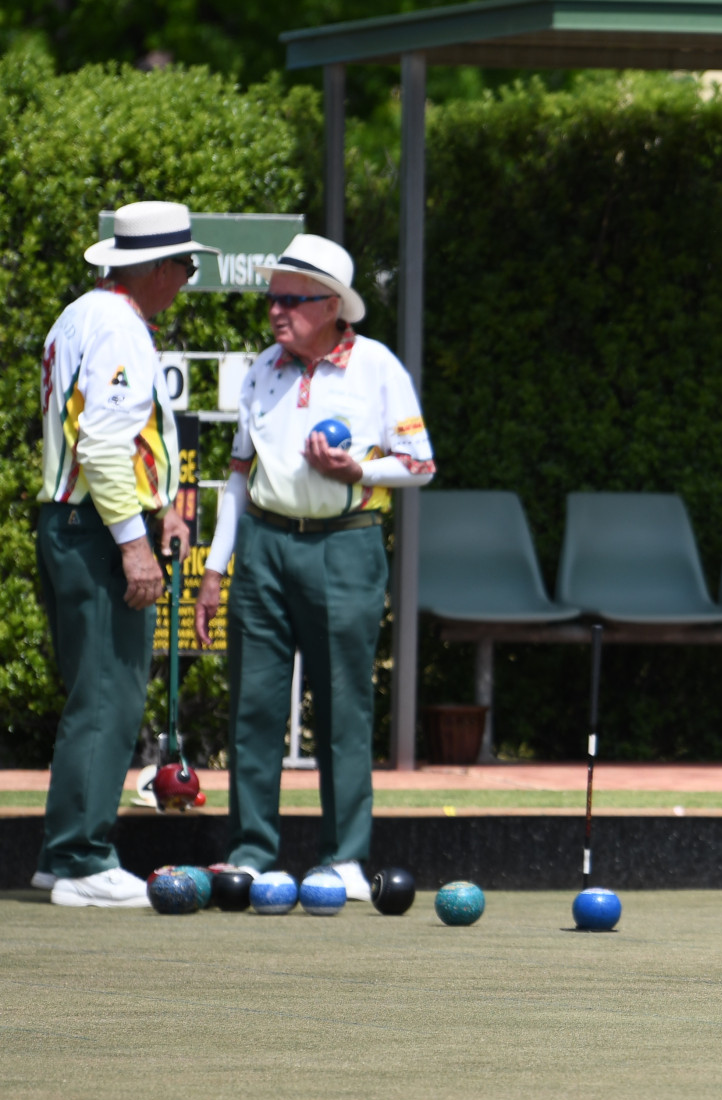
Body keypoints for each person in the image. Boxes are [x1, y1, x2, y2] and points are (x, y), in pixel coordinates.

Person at [193, 234, 435, 900]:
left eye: (293, 299)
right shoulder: (263, 367)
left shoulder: (377, 366)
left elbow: (421, 464)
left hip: (345, 544)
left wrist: (358, 468)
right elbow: (238, 476)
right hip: (264, 545)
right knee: (254, 707)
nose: (277, 310)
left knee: (344, 708)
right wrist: (216, 569)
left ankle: (346, 858)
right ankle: (251, 851)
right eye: (273, 297)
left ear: (332, 305)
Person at [35, 202, 214, 907]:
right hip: (97, 529)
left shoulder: (83, 315)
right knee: (109, 693)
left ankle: (63, 852)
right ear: (156, 267)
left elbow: (110, 435)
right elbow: (103, 445)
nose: (189, 279)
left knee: (94, 693)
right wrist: (134, 543)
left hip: (76, 521)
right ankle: (82, 859)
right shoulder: (118, 328)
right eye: (186, 266)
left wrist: (162, 503)